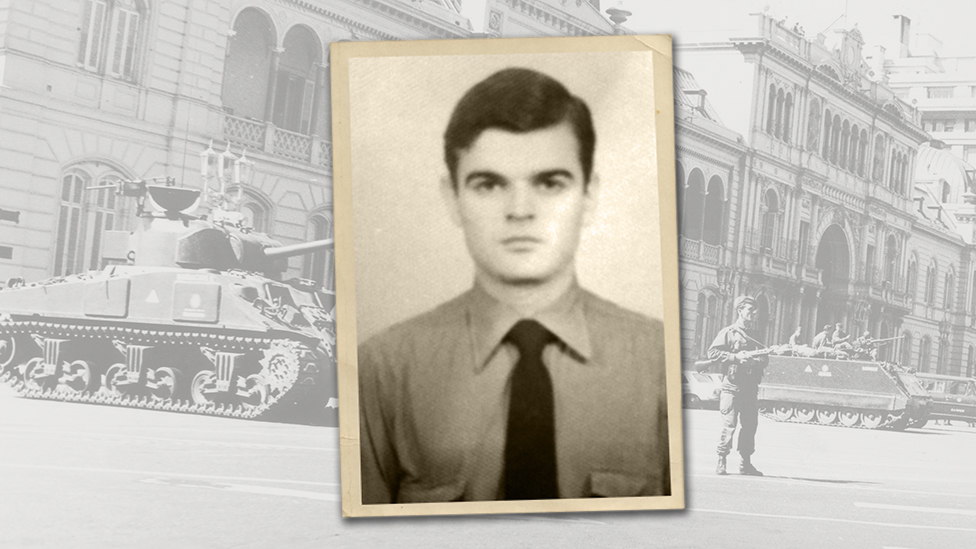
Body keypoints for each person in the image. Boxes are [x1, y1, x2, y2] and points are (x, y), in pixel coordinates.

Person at [357, 67, 670, 503]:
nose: (520, 210)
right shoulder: (384, 369)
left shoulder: (661, 364)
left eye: (549, 183)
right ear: (453, 199)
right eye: (488, 184)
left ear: (590, 196)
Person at [707, 295, 768, 476]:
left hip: (750, 388)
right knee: (729, 425)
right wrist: (735, 357)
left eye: (754, 311)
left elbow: (764, 359)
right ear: (740, 310)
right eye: (749, 310)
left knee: (750, 427)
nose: (753, 314)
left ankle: (745, 463)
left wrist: (753, 362)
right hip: (732, 387)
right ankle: (721, 460)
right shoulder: (729, 332)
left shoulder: (755, 335)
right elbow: (713, 352)